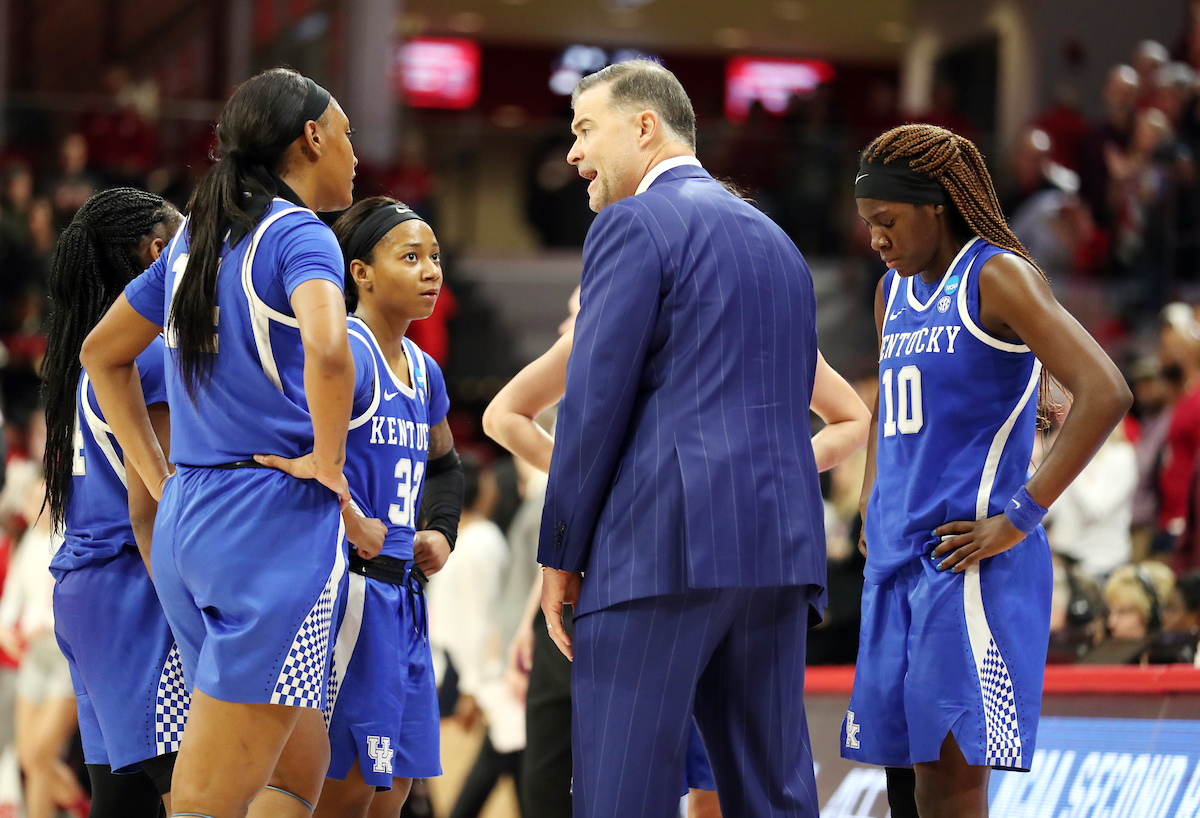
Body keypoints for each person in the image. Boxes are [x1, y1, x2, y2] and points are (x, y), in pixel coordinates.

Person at [533, 59, 828, 818]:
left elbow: (593, 407)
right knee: (777, 797)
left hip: (658, 551)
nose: (573, 152)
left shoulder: (631, 222)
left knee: (620, 798)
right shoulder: (780, 243)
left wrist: (560, 553)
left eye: (583, 129)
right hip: (778, 553)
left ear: (644, 126)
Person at [80, 67, 357, 818]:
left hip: (190, 522)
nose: (355, 154)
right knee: (207, 801)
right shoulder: (299, 233)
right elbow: (332, 350)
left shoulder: (196, 239)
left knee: (301, 766)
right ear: (311, 138)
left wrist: (162, 477)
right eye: (347, 135)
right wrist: (329, 465)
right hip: (266, 522)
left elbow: (102, 355)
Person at [846, 123, 1132, 818]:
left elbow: (1106, 391)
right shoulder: (893, 293)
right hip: (897, 560)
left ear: (934, 206)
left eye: (886, 221)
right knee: (903, 782)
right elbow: (890, 406)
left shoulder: (996, 274)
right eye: (868, 224)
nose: (876, 238)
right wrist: (869, 503)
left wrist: (1020, 517)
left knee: (949, 789)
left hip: (967, 566)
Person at [310, 196, 462, 818]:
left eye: (434, 257)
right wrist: (351, 518)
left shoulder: (424, 371)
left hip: (406, 596)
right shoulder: (344, 349)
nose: (431, 271)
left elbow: (448, 466)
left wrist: (442, 531)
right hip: (351, 593)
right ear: (361, 273)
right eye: (410, 257)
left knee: (394, 791)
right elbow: (297, 454)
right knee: (343, 790)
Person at [40, 187, 184, 816]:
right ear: (159, 253)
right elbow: (150, 500)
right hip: (135, 585)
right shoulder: (147, 354)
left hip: (82, 590)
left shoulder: (84, 357)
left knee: (121, 799)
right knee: (195, 787)